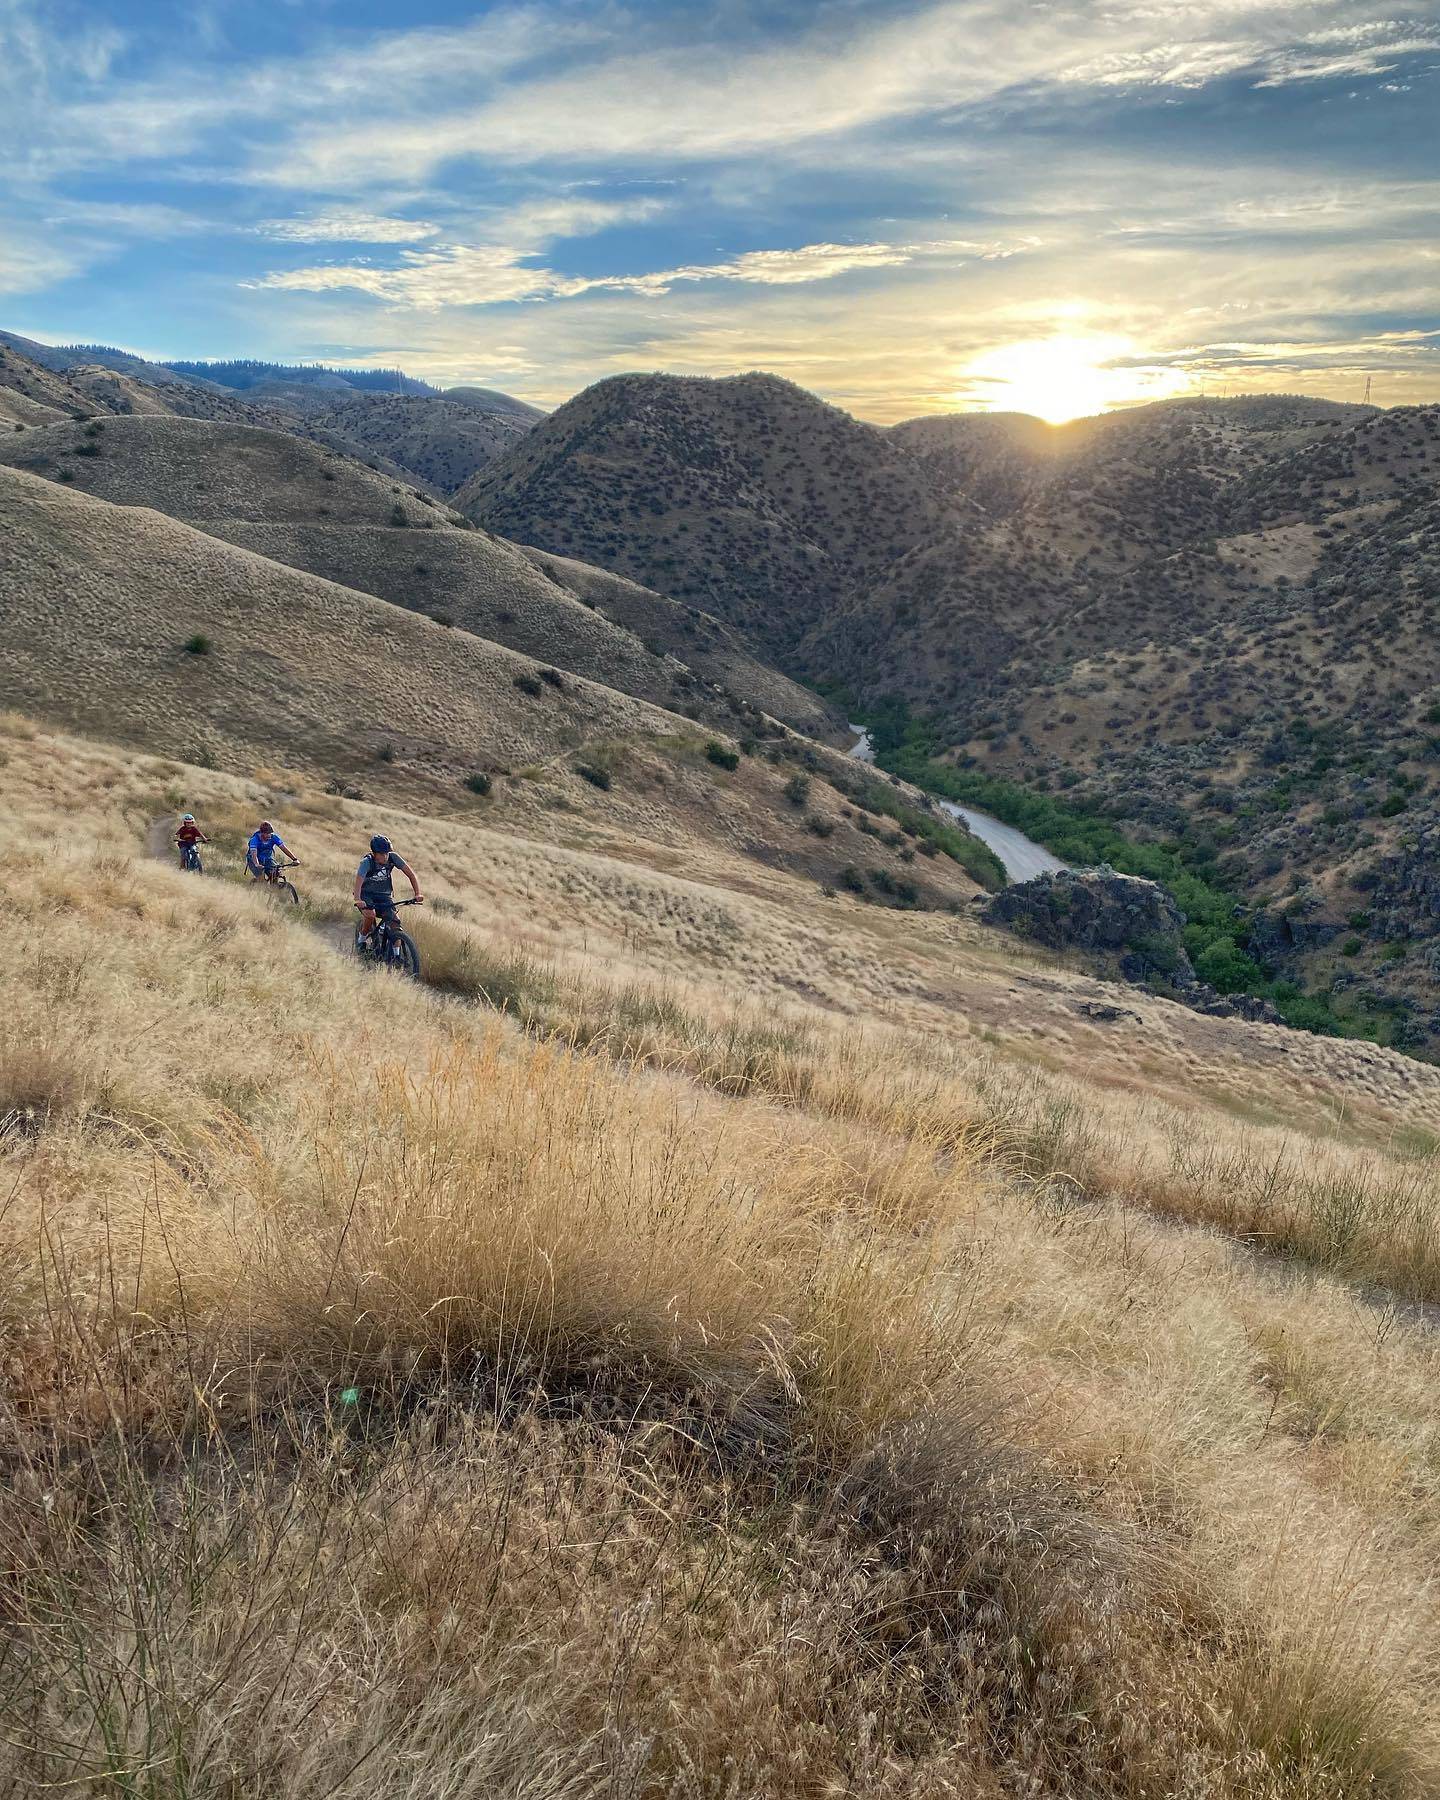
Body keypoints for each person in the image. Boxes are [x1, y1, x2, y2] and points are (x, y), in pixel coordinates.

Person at [353, 834, 424, 948]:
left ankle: (396, 957)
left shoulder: (393, 857)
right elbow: (358, 882)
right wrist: (357, 899)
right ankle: (362, 939)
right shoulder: (367, 862)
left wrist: (417, 893)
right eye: (382, 853)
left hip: (384, 895)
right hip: (366, 895)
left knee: (395, 924)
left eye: (387, 853)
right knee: (371, 915)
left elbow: (411, 875)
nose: (385, 856)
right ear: (374, 853)